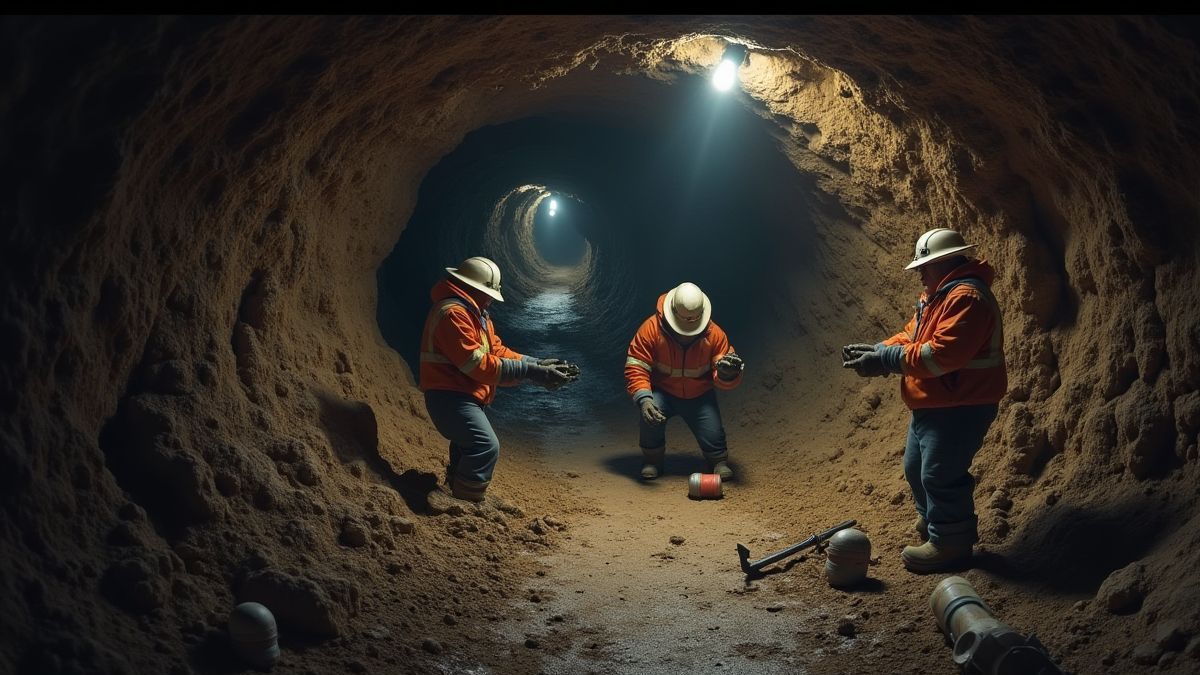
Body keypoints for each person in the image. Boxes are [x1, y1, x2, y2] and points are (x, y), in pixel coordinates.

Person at [843, 228, 1006, 572]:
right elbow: (913, 336)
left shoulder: (967, 299)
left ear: (945, 263)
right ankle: (933, 523)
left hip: (962, 405)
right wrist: (879, 349)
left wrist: (884, 361)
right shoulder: (938, 296)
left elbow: (940, 356)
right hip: (933, 404)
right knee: (915, 469)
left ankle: (951, 543)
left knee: (939, 474)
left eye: (924, 266)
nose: (919, 273)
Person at [419, 256, 574, 502]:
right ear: (473, 289)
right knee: (484, 445)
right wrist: (530, 372)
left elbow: (496, 351)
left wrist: (535, 362)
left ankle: (458, 490)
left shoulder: (474, 314)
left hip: (461, 394)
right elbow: (479, 364)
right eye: (488, 293)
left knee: (467, 443)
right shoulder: (453, 315)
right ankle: (469, 501)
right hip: (448, 397)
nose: (491, 299)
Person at [624, 282, 744, 481]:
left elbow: (724, 377)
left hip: (700, 395)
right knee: (650, 417)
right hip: (662, 392)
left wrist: (727, 375)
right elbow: (636, 366)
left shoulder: (715, 335)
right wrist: (644, 398)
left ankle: (718, 461)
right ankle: (652, 460)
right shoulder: (651, 330)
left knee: (713, 433)